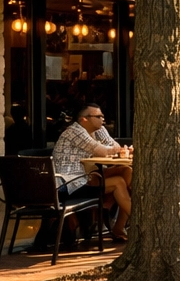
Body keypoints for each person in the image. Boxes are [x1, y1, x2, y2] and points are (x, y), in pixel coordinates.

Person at [51, 103, 131, 241]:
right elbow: (104, 151)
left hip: (86, 175)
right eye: (98, 116)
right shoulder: (75, 131)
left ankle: (118, 224)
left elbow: (116, 146)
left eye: (102, 116)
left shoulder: (97, 130)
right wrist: (110, 148)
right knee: (119, 182)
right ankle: (143, 224)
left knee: (127, 171)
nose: (102, 119)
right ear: (84, 119)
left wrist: (106, 140)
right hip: (70, 183)